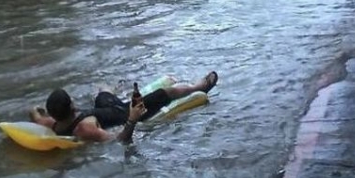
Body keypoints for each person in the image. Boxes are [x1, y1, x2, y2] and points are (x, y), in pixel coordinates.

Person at [29, 71, 218, 144]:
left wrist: (42, 110)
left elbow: (33, 112)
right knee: (166, 92)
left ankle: (118, 89)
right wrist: (133, 118)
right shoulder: (84, 128)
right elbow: (119, 140)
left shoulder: (50, 123)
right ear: (71, 105)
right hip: (124, 112)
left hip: (105, 108)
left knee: (102, 89)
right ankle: (199, 86)